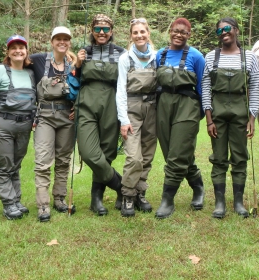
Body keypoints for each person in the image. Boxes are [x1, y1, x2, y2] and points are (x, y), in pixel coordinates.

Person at [202, 17, 259, 218]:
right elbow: (206, 89)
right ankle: (219, 203)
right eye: (219, 31)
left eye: (227, 29)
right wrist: (209, 120)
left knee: (239, 157)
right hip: (217, 113)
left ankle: (238, 202)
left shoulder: (250, 58)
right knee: (218, 158)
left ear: (236, 30)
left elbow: (254, 88)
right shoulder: (210, 57)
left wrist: (252, 118)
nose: (224, 33)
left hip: (240, 113)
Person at [0, 35, 36, 220]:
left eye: (21, 47)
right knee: (3, 165)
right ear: (8, 52)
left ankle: (16, 200)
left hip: (24, 127)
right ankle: (8, 204)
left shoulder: (31, 73)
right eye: (14, 47)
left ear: (26, 51)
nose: (18, 50)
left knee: (15, 165)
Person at [155, 18, 205, 219]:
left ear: (189, 35)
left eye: (183, 32)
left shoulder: (196, 56)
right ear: (170, 31)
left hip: (187, 106)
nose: (178, 35)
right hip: (163, 105)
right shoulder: (161, 54)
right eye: (175, 31)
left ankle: (167, 200)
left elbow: (202, 87)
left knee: (176, 156)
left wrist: (200, 114)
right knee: (172, 153)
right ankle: (198, 185)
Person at [75, 14, 125, 215]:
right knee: (88, 152)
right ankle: (121, 186)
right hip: (87, 103)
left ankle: (96, 200)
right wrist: (77, 64)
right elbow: (70, 76)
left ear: (111, 31)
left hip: (112, 103)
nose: (102, 33)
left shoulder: (122, 53)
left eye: (106, 29)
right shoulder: (83, 52)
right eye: (97, 29)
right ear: (92, 31)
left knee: (107, 152)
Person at [29, 26, 77, 222]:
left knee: (64, 160)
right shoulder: (38, 59)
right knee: (42, 162)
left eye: (66, 39)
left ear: (69, 42)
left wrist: (78, 105)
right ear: (52, 41)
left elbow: (81, 86)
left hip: (68, 117)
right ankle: (43, 205)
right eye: (58, 38)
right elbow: (14, 61)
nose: (62, 42)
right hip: (45, 117)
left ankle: (59, 198)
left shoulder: (73, 64)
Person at [116, 18, 157, 217]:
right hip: (132, 109)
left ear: (148, 33)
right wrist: (123, 120)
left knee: (147, 155)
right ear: (131, 36)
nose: (139, 35)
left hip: (152, 109)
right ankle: (127, 196)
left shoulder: (157, 57)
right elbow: (120, 91)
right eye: (135, 33)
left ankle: (141, 193)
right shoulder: (126, 59)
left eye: (143, 32)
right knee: (134, 157)